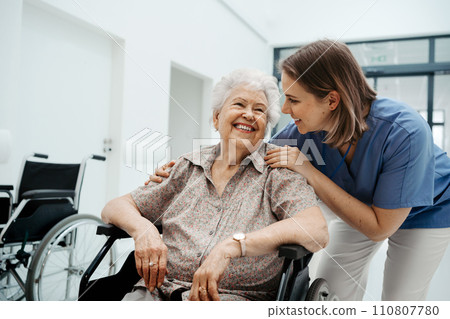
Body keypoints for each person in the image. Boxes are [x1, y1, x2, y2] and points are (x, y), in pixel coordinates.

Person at [152, 40, 450, 301]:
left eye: (293, 100)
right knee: (333, 288)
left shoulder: (405, 132)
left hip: (425, 210)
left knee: (400, 301)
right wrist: (182, 169)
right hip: (360, 205)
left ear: (331, 100)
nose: (283, 110)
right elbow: (250, 152)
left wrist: (307, 170)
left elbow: (379, 228)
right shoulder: (302, 131)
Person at [102, 68, 328, 301]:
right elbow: (115, 207)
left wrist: (232, 246)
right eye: (239, 105)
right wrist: (143, 230)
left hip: (233, 298)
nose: (249, 115)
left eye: (259, 110)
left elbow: (316, 229)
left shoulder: (278, 171)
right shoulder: (187, 166)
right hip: (157, 292)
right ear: (216, 117)